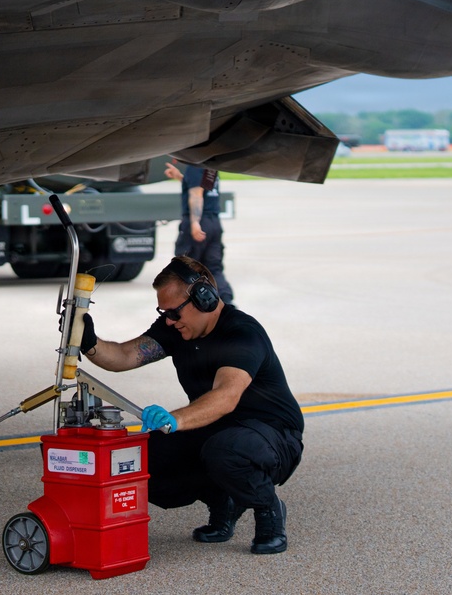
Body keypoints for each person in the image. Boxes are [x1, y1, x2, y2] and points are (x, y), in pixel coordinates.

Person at [78, 255, 303, 554]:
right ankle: (223, 501)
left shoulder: (242, 333)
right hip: (217, 430)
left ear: (204, 298)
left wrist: (175, 419)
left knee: (225, 450)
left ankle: (269, 512)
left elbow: (226, 397)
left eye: (173, 312)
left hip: (273, 437)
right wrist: (90, 342)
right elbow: (124, 356)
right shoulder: (177, 328)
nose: (169, 320)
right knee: (143, 458)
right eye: (163, 312)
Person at [164, 161, 234, 304]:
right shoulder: (210, 167)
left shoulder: (194, 167)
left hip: (200, 221)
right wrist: (180, 178)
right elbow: (202, 189)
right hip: (214, 222)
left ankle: (185, 307)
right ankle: (227, 303)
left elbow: (197, 194)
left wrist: (195, 222)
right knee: (213, 268)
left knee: (185, 268)